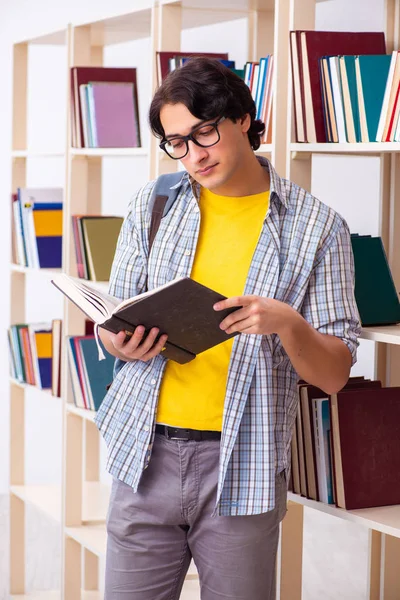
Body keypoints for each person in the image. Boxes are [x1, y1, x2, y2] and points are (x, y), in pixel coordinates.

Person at [95, 57, 361, 600]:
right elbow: (110, 325)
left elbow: (334, 375)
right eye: (177, 142)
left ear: (242, 117)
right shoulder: (152, 205)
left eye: (205, 132)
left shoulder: (318, 227)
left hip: (244, 465)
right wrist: (118, 340)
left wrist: (287, 324)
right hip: (141, 456)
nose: (194, 155)